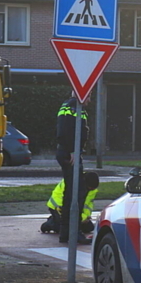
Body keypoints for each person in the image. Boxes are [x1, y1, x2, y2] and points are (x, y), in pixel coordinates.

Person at [56, 93, 89, 243]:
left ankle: (66, 232)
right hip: (70, 153)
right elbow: (66, 131)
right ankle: (74, 232)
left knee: (70, 193)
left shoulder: (69, 105)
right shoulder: (73, 107)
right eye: (89, 95)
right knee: (77, 193)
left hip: (68, 151)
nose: (90, 99)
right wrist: (72, 150)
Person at [41, 171, 100, 243]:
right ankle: (50, 224)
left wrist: (86, 217)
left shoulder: (90, 189)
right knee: (64, 228)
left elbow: (88, 205)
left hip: (74, 211)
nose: (91, 189)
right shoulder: (72, 184)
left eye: (92, 188)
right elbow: (66, 207)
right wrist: (81, 219)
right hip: (58, 207)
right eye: (90, 188)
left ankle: (56, 220)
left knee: (89, 227)